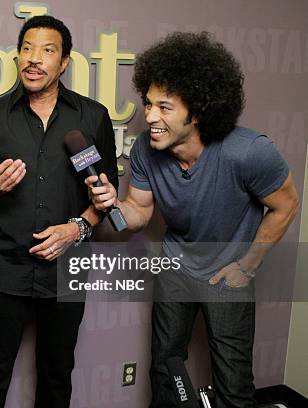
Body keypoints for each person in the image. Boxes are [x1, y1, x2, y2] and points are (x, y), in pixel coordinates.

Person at [87, 31, 299, 407]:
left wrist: (247, 266)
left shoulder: (249, 152)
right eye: (149, 104)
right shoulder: (147, 153)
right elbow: (138, 212)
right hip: (176, 267)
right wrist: (111, 204)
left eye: (164, 107)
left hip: (227, 273)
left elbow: (286, 206)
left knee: (233, 383)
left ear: (197, 111)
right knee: (166, 371)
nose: (150, 116)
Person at [0, 15, 118, 408]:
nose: (34, 59)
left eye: (47, 51)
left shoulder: (92, 117)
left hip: (67, 270)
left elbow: (104, 197)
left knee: (56, 372)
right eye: (27, 49)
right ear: (18, 57)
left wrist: (77, 228)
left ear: (64, 62)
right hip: (5, 268)